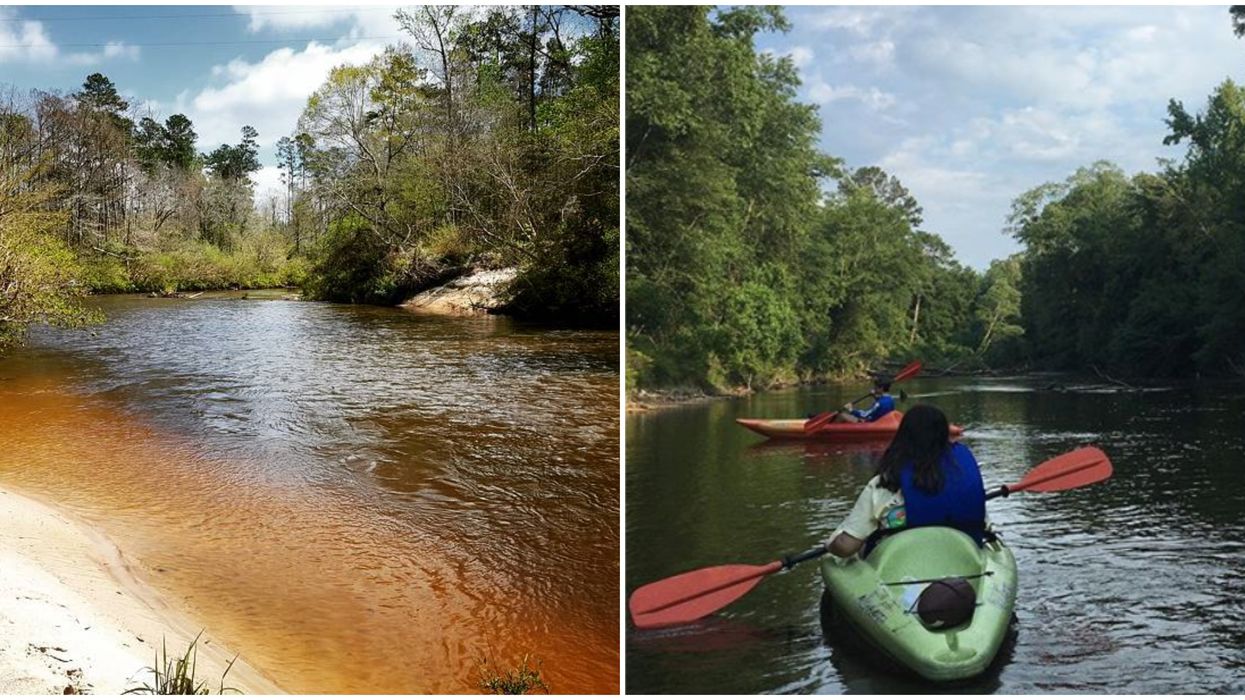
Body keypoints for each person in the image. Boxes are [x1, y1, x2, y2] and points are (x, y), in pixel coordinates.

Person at [826, 404, 987, 558]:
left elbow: (846, 547)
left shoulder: (886, 483)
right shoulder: (965, 474)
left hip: (901, 568)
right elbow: (985, 524)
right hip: (963, 560)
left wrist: (830, 546)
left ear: (903, 436)